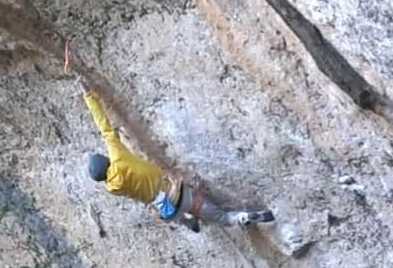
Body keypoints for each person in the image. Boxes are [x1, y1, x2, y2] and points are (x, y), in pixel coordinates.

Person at [80, 80, 275, 232]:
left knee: (168, 212)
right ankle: (241, 218)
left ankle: (189, 222)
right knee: (222, 217)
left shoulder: (112, 188)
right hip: (179, 193)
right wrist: (88, 94)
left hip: (167, 208)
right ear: (106, 161)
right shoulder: (118, 157)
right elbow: (104, 127)